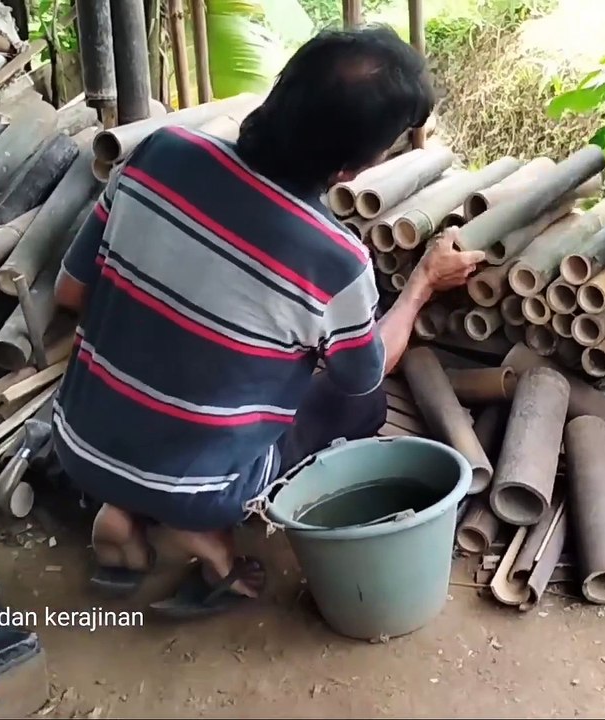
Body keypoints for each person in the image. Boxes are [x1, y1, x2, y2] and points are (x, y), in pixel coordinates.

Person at [52, 25, 485, 619]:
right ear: (353, 168)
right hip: (200, 491)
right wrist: (422, 285)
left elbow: (71, 293)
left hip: (77, 439)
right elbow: (366, 375)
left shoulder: (161, 151)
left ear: (278, 89)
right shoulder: (334, 259)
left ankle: (120, 509)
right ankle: (210, 544)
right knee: (358, 402)